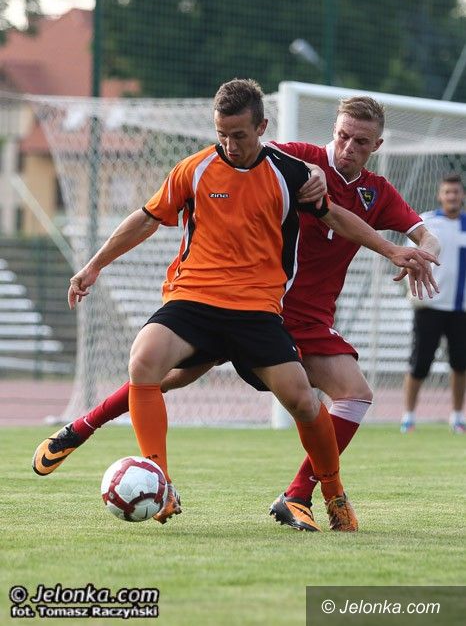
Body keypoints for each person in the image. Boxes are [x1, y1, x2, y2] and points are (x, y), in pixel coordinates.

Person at [33, 88, 439, 533]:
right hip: (209, 300)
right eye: (343, 136)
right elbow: (154, 213)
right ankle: (136, 465)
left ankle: (321, 493)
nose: (348, 147)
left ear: (376, 146)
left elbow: (362, 221)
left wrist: (404, 250)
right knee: (150, 366)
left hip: (270, 311)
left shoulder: (330, 182)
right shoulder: (244, 163)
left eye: (360, 141)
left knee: (313, 400)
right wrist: (93, 266)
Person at [401, 173, 466, 434]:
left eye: (456, 192)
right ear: (440, 195)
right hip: (430, 306)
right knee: (420, 363)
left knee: (460, 364)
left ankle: (457, 416)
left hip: (461, 309)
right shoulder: (426, 223)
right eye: (447, 192)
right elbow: (409, 258)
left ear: (462, 195)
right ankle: (408, 417)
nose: (452, 196)